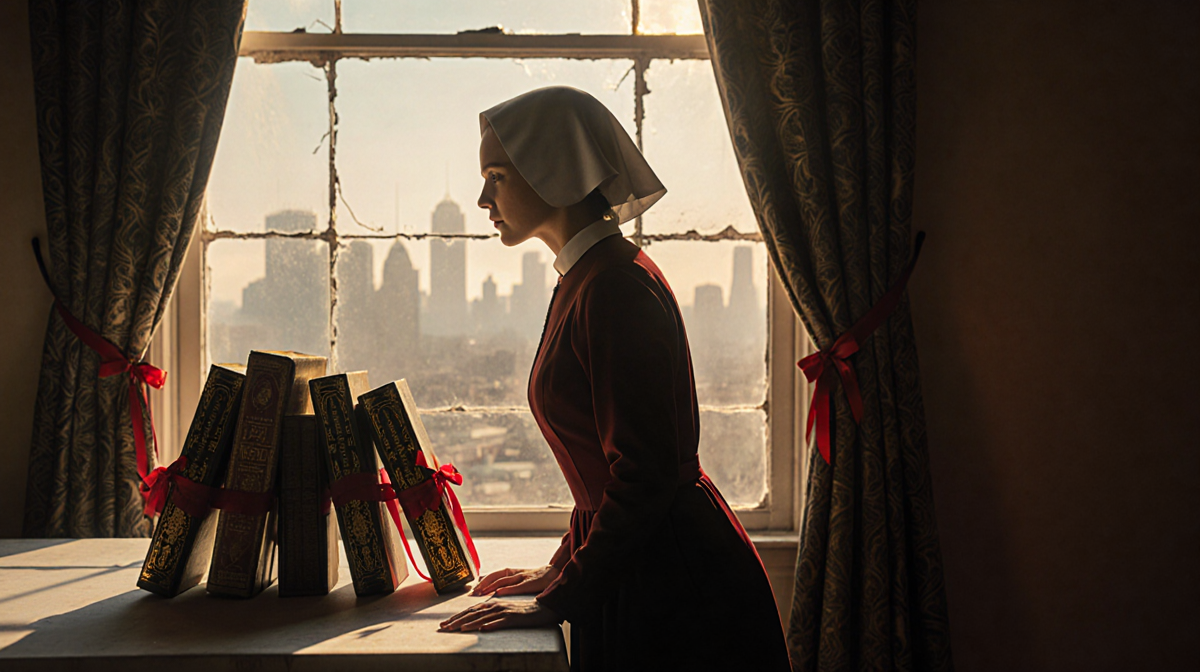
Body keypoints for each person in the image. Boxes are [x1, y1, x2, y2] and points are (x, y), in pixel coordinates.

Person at [438, 86, 789, 672]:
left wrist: (561, 596)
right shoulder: (589, 276)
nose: (482, 198)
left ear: (552, 169)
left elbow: (642, 477)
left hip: (672, 586)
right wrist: (561, 568)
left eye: (496, 176)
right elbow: (612, 480)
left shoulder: (613, 287)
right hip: (644, 566)